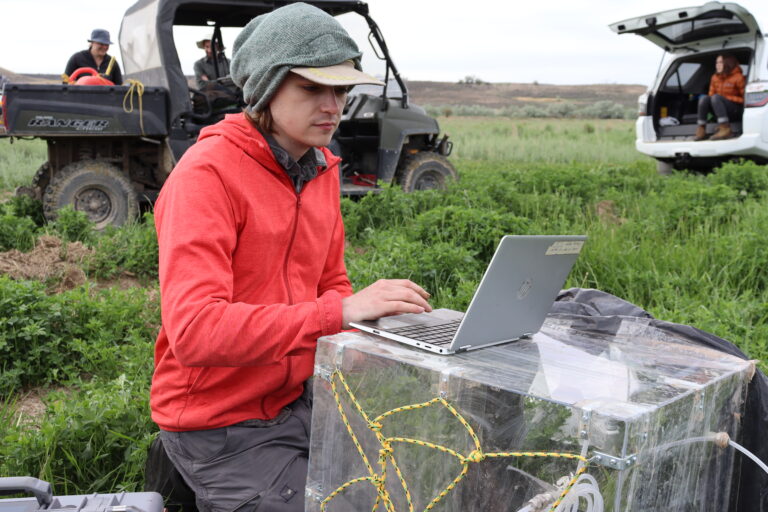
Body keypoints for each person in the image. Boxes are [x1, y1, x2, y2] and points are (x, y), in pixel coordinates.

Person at [150, 4, 432, 512]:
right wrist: (338, 315)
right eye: (311, 88)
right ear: (264, 88)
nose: (333, 105)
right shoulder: (206, 177)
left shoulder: (318, 168)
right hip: (217, 424)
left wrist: (361, 335)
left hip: (293, 398)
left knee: (405, 490)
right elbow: (194, 330)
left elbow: (332, 281)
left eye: (342, 89)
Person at [695, 53, 745, 141]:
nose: (717, 65)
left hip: (735, 110)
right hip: (719, 110)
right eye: (716, 63)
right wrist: (720, 99)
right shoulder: (714, 77)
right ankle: (701, 128)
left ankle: (725, 128)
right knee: (704, 98)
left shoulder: (739, 77)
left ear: (728, 63)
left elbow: (745, 100)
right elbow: (711, 96)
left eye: (720, 62)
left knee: (716, 98)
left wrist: (726, 98)